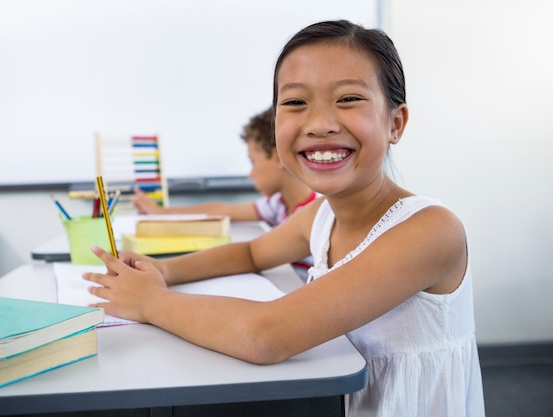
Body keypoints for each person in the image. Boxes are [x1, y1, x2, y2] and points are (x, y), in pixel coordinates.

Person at [83, 19, 485, 416]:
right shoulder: (321, 215)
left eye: (348, 99)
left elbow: (265, 336)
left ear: (395, 123)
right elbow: (252, 254)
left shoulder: (430, 230)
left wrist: (150, 301)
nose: (320, 124)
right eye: (294, 102)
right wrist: (163, 271)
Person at [133, 106, 317, 278]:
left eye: (253, 162)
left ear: (278, 158)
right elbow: (221, 210)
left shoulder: (314, 214)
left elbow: (253, 256)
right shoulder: (277, 204)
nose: (250, 173)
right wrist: (162, 213)